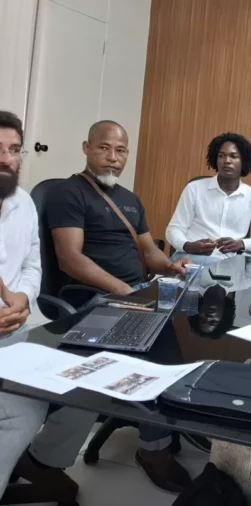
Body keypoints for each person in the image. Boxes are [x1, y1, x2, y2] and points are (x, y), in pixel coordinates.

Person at [46, 120, 194, 493]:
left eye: (121, 150)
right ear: (86, 148)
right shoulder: (68, 193)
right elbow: (70, 259)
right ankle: (154, 448)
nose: (113, 158)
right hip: (91, 296)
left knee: (190, 340)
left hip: (134, 293)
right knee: (155, 356)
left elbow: (148, 252)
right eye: (104, 148)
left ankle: (174, 425)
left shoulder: (131, 199)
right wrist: (124, 290)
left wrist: (171, 267)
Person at [0, 110, 97, 498]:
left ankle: (39, 462)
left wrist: (23, 297)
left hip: (19, 328)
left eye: (14, 150)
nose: (6, 158)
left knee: (89, 382)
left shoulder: (22, 203)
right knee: (20, 413)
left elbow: (32, 264)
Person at [166, 133, 251, 261]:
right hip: (191, 258)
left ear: (243, 161)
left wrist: (242, 244)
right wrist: (188, 246)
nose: (227, 161)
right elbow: (174, 229)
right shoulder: (194, 189)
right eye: (221, 156)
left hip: (230, 263)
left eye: (233, 156)